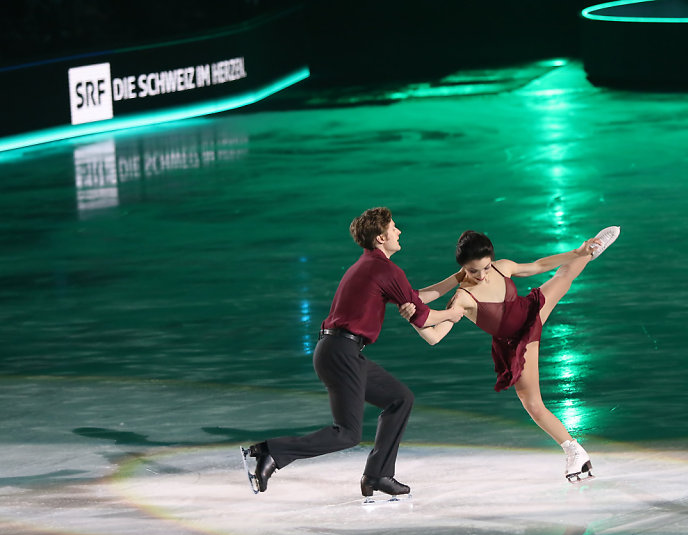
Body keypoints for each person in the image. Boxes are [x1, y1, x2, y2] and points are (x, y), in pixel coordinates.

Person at [241, 207, 465, 500]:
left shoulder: (374, 266)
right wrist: (457, 312)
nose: (399, 232)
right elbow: (423, 318)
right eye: (394, 228)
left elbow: (414, 298)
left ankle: (379, 474)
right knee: (347, 434)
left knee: (400, 399)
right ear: (381, 236)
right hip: (340, 352)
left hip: (340, 351)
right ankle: (270, 452)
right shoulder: (384, 269)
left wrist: (457, 278)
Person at [401, 225, 620, 482]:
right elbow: (435, 336)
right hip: (517, 344)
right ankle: (575, 451)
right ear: (462, 269)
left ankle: (590, 250)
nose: (482, 275)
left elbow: (538, 266)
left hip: (530, 311)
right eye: (473, 271)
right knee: (533, 405)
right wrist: (414, 319)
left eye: (485, 267)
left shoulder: (500, 267)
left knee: (562, 278)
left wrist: (577, 250)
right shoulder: (461, 298)